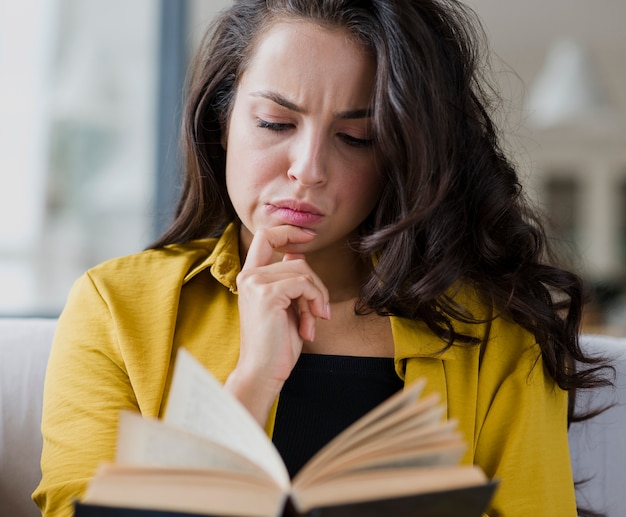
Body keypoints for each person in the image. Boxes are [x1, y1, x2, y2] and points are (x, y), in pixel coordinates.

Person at [34, 0, 610, 516]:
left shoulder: (499, 337)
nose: (308, 168)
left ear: (406, 154)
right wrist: (252, 382)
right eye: (275, 123)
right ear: (222, 123)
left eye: (357, 137)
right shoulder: (117, 308)